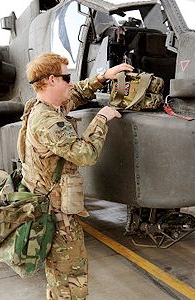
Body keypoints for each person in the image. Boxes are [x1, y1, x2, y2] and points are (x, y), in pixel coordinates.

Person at [17, 52, 133, 299]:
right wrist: (102, 118)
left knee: (62, 280)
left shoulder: (44, 107)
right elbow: (86, 154)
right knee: (69, 282)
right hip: (57, 217)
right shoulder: (47, 121)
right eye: (66, 77)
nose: (70, 82)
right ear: (51, 80)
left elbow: (77, 93)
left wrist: (103, 77)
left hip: (53, 210)